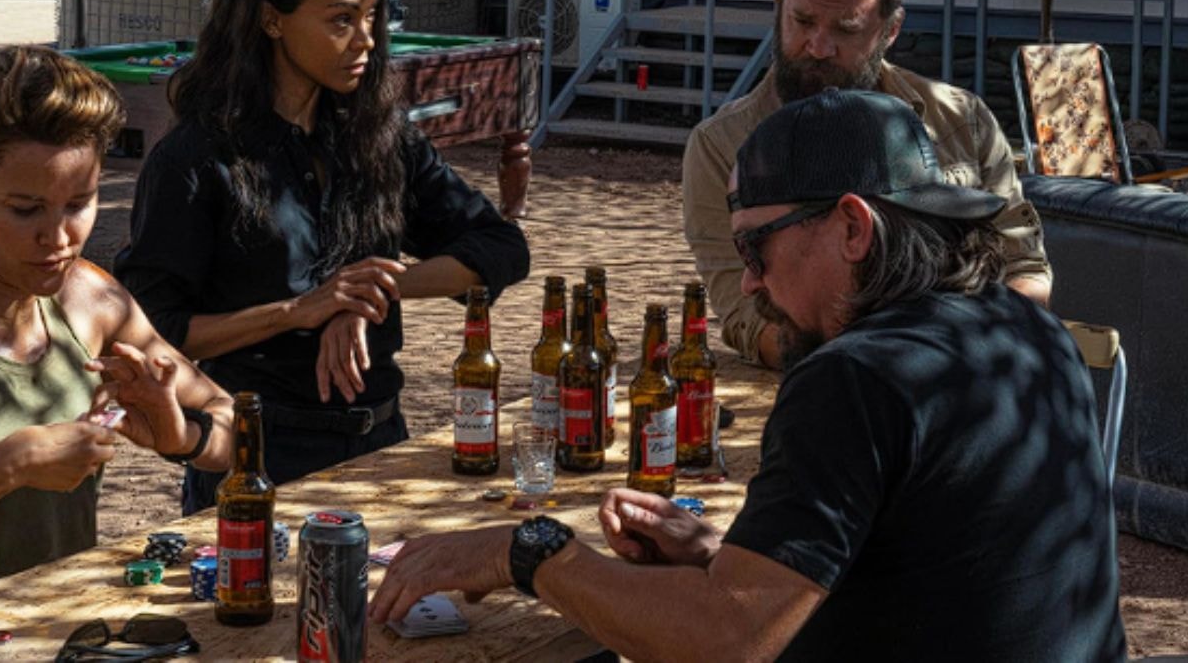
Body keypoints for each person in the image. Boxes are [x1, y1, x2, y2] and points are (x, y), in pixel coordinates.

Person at [369, 91, 1125, 662]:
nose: (752, 285)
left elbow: (728, 641)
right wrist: (724, 558)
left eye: (756, 250)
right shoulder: (1022, 326)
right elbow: (932, 567)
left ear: (853, 227)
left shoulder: (855, 377)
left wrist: (530, 553)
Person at [114, 0, 530, 513]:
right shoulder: (198, 158)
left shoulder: (381, 139)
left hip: (384, 445)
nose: (364, 39)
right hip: (258, 457)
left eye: (371, 18)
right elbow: (154, 331)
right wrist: (297, 311)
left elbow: (501, 248)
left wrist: (369, 293)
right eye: (340, 20)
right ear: (271, 20)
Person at [0, 46, 233, 602]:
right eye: (26, 210)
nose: (59, 236)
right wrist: (10, 464)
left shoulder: (91, 300)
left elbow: (235, 430)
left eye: (80, 203)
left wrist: (178, 434)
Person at [682, 0, 1051, 368]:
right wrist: (877, 368)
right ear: (778, 6)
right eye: (802, 21)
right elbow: (746, 318)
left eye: (846, 29)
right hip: (824, 386)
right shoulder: (720, 145)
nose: (818, 46)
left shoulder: (960, 120)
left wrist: (962, 361)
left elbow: (1025, 269)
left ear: (891, 30)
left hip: (972, 372)